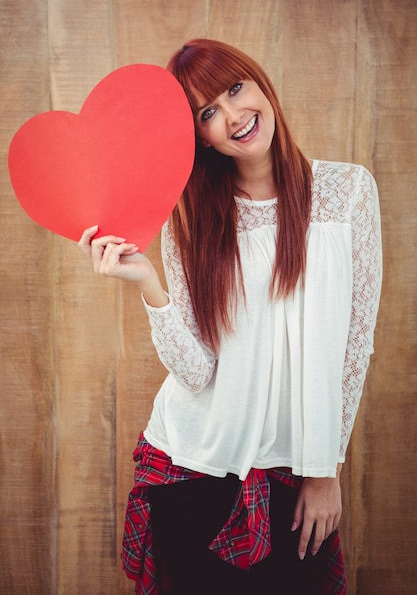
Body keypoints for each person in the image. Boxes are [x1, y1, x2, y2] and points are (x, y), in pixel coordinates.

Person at [79, 38, 382, 594]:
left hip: (296, 470)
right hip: (195, 467)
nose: (234, 115)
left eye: (236, 88)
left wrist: (325, 470)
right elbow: (196, 371)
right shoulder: (192, 220)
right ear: (199, 135)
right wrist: (149, 283)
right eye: (208, 112)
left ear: (260, 82)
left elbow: (354, 344)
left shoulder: (349, 192)